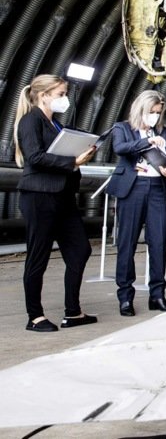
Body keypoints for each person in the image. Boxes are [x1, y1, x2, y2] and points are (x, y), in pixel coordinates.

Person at [14, 74, 97, 332]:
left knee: (80, 249)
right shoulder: (30, 121)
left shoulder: (56, 125)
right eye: (61, 94)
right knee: (38, 255)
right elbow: (35, 157)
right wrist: (73, 162)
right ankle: (34, 316)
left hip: (62, 196)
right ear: (44, 95)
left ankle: (73, 312)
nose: (65, 99)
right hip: (39, 196)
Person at [106, 90, 166, 315]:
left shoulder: (163, 130)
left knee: (159, 242)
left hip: (157, 189)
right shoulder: (122, 128)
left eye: (158, 113)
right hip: (133, 188)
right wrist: (147, 141)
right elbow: (120, 148)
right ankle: (125, 297)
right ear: (141, 109)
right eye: (151, 112)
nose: (155, 116)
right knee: (127, 243)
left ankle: (157, 295)